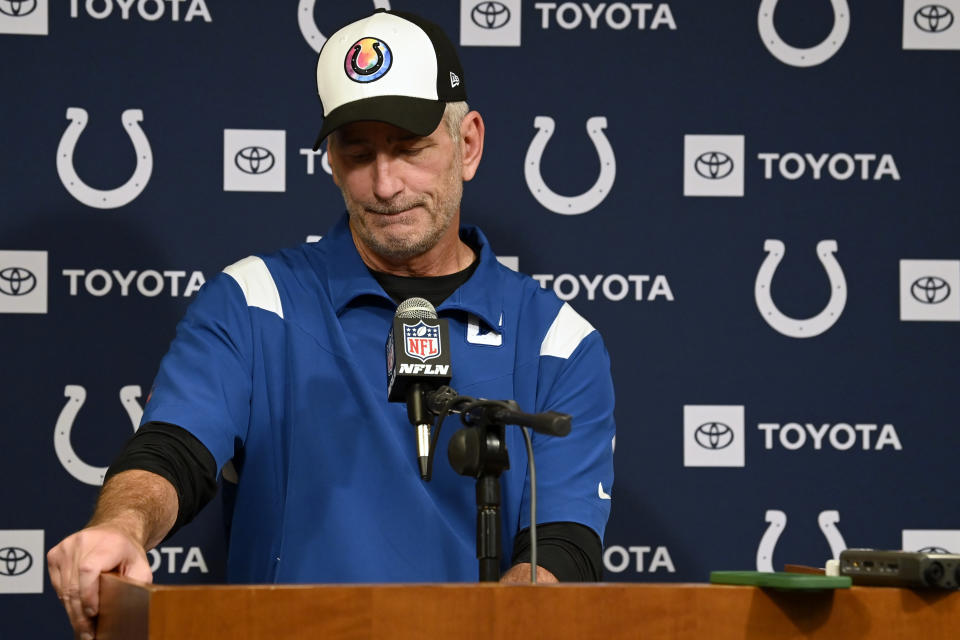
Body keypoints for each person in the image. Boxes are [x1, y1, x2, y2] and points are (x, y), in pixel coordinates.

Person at [47, 9, 616, 639]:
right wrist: (120, 526)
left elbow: (561, 549)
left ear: (469, 144)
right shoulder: (255, 300)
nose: (385, 183)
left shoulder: (560, 341)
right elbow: (175, 448)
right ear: (331, 160)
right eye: (358, 152)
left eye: (410, 148)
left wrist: (496, 624)